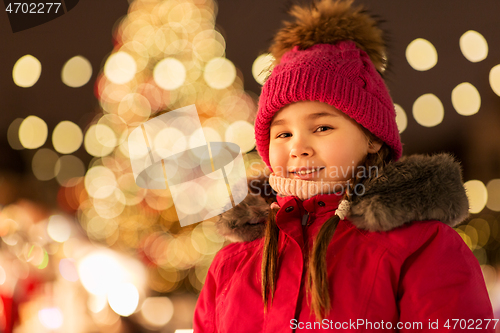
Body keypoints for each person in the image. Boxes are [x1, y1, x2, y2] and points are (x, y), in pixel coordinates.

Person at [193, 0, 495, 331]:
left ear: (372, 137)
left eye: (322, 127)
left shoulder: (421, 246)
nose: (298, 147)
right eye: (282, 133)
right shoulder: (232, 264)